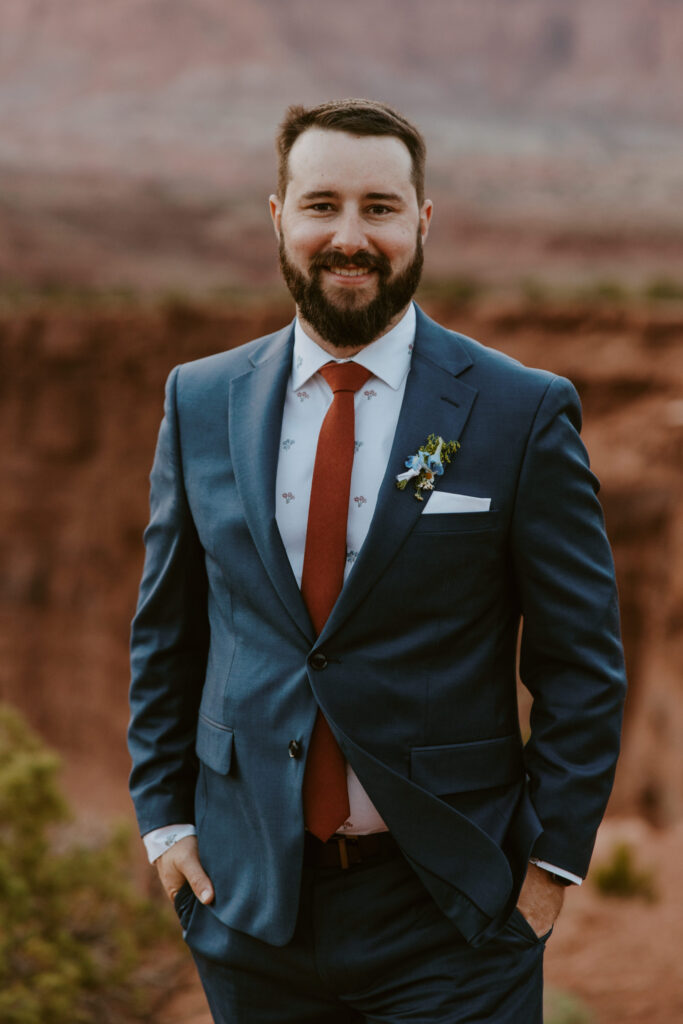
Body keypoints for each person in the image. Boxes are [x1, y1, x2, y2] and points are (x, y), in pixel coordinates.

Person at [128, 99, 627, 1023]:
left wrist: (549, 869)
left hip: (451, 914)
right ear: (277, 217)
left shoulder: (521, 411)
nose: (349, 237)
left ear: (421, 221)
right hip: (249, 909)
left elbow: (579, 660)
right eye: (321, 205)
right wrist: (165, 825)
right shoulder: (198, 400)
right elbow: (170, 631)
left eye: (379, 208)